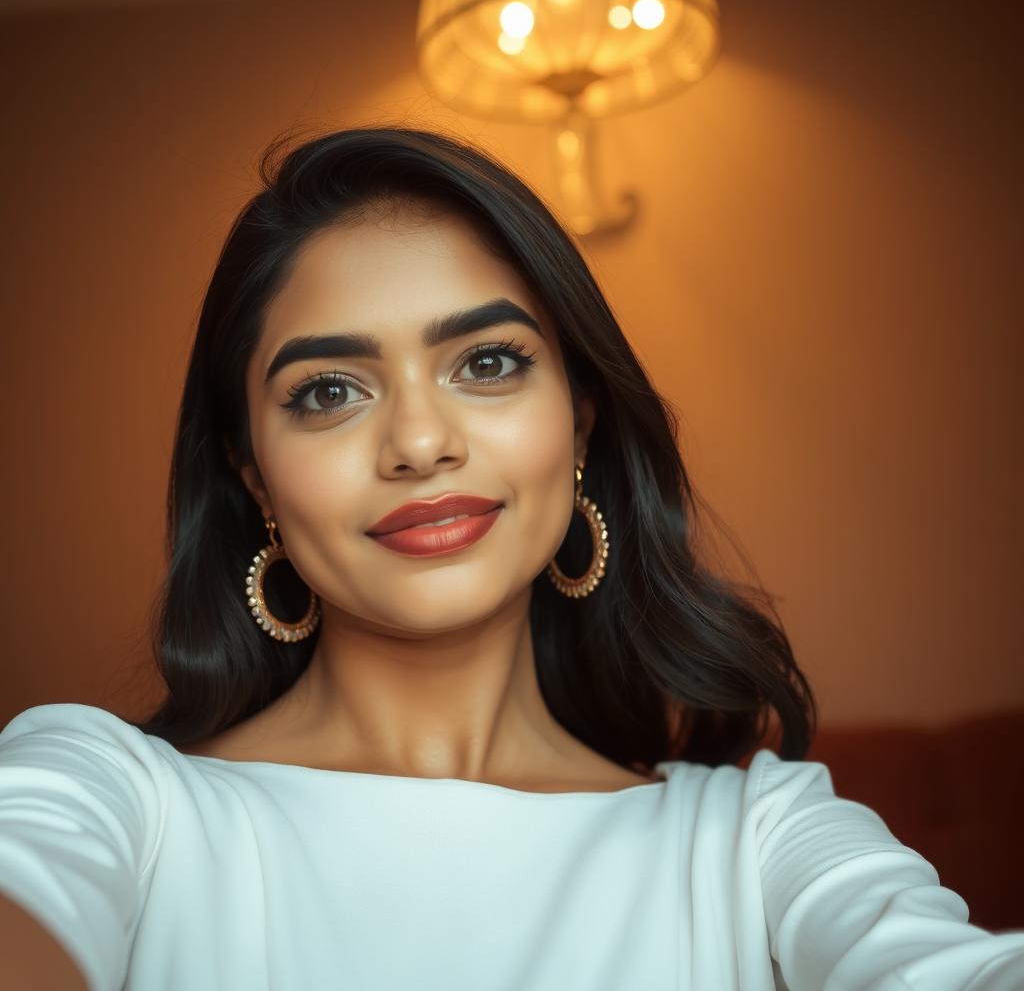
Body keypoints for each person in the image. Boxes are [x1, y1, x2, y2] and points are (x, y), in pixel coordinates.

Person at [1, 126, 1022, 991]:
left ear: (578, 422)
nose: (417, 441)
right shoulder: (108, 792)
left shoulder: (758, 837)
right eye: (327, 390)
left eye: (486, 363)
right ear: (254, 474)